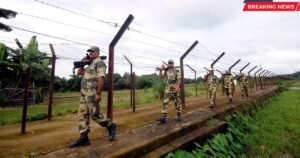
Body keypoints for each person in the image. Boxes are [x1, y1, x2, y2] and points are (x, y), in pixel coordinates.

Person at [69, 46, 116, 148]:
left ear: (98, 53)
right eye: (89, 52)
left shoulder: (100, 63)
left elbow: (101, 78)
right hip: (83, 94)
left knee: (94, 114)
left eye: (92, 51)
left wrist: (98, 93)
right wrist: (82, 63)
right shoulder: (90, 64)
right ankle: (84, 138)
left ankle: (110, 125)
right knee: (82, 115)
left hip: (92, 93)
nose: (90, 53)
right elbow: (79, 73)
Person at [156, 59, 182, 123]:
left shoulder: (177, 70)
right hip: (167, 88)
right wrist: (160, 70)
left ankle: (178, 116)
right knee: (165, 102)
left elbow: (179, 79)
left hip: (175, 88)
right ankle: (163, 118)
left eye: (171, 63)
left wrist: (178, 87)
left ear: (173, 64)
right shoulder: (166, 70)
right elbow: (161, 77)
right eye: (169, 63)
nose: (170, 64)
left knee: (177, 102)